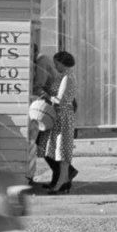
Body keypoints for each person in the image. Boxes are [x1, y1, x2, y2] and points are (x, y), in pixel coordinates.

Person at [44, 51, 79, 194]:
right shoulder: (65, 75)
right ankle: (63, 181)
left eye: (57, 64)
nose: (55, 66)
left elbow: (60, 100)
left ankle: (61, 183)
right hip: (62, 116)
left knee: (62, 152)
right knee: (60, 151)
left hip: (63, 116)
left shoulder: (67, 77)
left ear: (63, 63)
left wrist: (46, 96)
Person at [27, 45, 59, 188]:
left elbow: (39, 86)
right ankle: (60, 177)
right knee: (45, 143)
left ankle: (63, 176)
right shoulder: (42, 59)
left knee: (43, 143)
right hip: (53, 105)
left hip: (52, 106)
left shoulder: (41, 61)